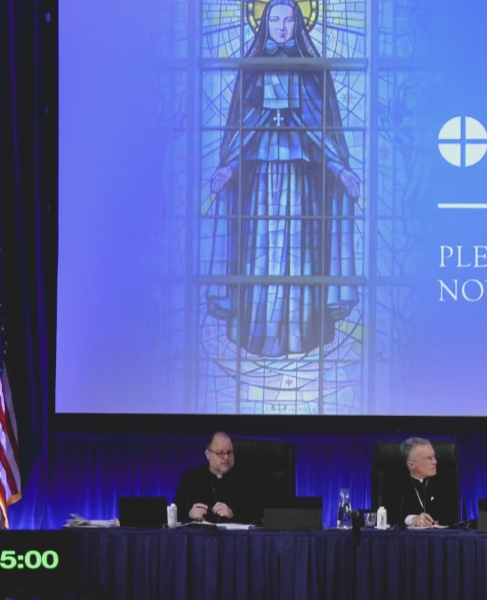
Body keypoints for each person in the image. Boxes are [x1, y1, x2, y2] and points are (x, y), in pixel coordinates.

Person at [207, 0, 362, 357]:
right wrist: (229, 164)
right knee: (260, 249)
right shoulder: (252, 70)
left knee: (300, 250)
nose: (280, 27)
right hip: (260, 180)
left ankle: (300, 333)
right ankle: (258, 331)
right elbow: (243, 128)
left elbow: (322, 130)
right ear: (263, 24)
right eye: (273, 19)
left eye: (288, 19)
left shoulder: (312, 72)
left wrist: (341, 169)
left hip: (300, 180)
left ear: (298, 23)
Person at [174, 432, 261, 523]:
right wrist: (189, 514)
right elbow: (175, 513)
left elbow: (257, 515)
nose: (226, 457)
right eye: (220, 453)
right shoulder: (191, 478)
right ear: (208, 454)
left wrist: (232, 513)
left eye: (229, 452)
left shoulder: (247, 479)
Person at [382, 438, 460, 527]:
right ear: (411, 464)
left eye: (435, 456)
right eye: (428, 459)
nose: (435, 462)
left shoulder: (446, 478)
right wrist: (413, 519)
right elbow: (389, 514)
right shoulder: (395, 480)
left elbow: (451, 516)